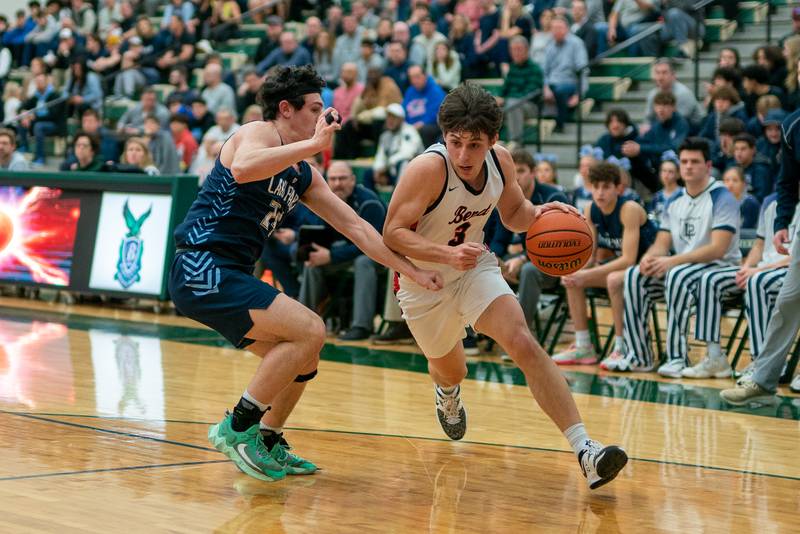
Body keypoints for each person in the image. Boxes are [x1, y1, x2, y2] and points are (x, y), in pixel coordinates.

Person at [168, 65, 442, 482]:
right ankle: (237, 427)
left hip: (230, 272)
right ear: (285, 109)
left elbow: (357, 229)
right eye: (315, 107)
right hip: (200, 265)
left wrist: (412, 270)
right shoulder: (257, 133)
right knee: (310, 328)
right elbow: (243, 169)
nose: (323, 115)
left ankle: (269, 437)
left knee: (305, 354)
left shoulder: (303, 174)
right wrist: (313, 144)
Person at [383, 83, 628, 489]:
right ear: (443, 137)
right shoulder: (427, 169)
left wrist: (543, 216)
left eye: (474, 144)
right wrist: (445, 256)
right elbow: (391, 233)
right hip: (421, 280)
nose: (464, 155)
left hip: (473, 266)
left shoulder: (501, 162)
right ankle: (448, 392)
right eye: (455, 142)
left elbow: (514, 213)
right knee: (451, 368)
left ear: (494, 140)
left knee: (522, 341)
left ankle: (586, 450)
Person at [619, 137, 742, 376]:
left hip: (720, 268)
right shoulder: (674, 200)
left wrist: (671, 261)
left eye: (694, 162)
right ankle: (639, 356)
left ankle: (677, 358)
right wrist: (650, 258)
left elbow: (717, 249)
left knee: (675, 274)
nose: (687, 166)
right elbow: (662, 243)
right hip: (685, 269)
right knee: (635, 275)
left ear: (707, 166)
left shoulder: (722, 197)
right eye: (684, 161)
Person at [721, 108, 800, 402]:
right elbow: (788, 181)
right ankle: (764, 382)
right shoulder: (793, 124)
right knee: (788, 301)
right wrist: (781, 223)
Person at [553, 162, 657, 366]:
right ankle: (583, 346)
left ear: (618, 188)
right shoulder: (591, 209)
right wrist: (576, 271)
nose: (600, 192)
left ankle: (621, 347)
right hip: (624, 268)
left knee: (613, 279)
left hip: (649, 268)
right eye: (596, 186)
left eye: (606, 187)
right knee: (572, 278)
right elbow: (589, 256)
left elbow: (628, 260)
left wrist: (586, 275)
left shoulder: (629, 209)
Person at [298, 160, 387, 341]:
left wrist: (331, 256)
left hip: (378, 256)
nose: (337, 183)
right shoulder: (325, 201)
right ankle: (301, 323)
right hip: (345, 255)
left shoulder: (369, 203)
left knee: (363, 262)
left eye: (342, 178)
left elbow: (372, 245)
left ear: (353, 180)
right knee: (313, 262)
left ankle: (362, 326)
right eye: (333, 179)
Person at [495, 35, 543, 145]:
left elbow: (530, 93)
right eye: (512, 50)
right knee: (490, 103)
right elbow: (504, 89)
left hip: (530, 106)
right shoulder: (512, 68)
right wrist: (498, 98)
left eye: (519, 49)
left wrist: (505, 100)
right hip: (511, 103)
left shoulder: (535, 69)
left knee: (513, 104)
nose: (515, 53)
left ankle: (515, 143)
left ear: (527, 50)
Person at [371, 103, 424, 188]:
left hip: (413, 173)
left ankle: (400, 199)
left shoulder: (409, 131)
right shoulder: (385, 136)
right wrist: (378, 170)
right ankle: (373, 201)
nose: (390, 120)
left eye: (394, 117)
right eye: (388, 117)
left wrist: (386, 167)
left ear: (401, 119)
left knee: (403, 163)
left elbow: (407, 154)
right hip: (392, 171)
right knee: (369, 173)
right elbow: (380, 156)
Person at [722, 165, 761, 230]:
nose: (730, 184)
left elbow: (746, 229)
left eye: (735, 180)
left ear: (744, 184)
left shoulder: (750, 203)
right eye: (727, 180)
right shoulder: (721, 203)